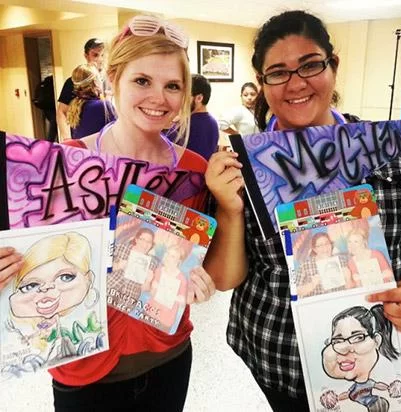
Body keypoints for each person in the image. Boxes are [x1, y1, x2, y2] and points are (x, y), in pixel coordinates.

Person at [0, 15, 216, 412]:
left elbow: (199, 261)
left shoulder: (195, 171)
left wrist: (200, 280)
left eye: (173, 86)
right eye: (142, 80)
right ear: (113, 78)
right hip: (81, 367)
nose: (159, 97)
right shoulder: (60, 165)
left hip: (166, 356)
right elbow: (28, 259)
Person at [204, 10, 401, 412]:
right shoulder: (244, 168)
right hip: (280, 361)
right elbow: (226, 279)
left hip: (384, 359)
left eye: (310, 65)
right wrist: (229, 209)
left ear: (332, 66)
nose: (296, 83)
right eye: (277, 72)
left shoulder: (389, 150)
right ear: (262, 83)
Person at [8, 232, 103, 369]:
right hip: (67, 373)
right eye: (30, 286)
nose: (46, 291)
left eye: (65, 277)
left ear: (89, 279)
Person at [320, 305, 401, 411]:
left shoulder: (375, 379)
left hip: (373, 402)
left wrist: (391, 388)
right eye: (338, 341)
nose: (346, 348)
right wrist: (335, 398)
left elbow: (378, 385)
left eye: (358, 338)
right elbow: (348, 394)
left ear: (376, 341)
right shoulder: (354, 387)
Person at [57, 38, 105, 141]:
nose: (100, 60)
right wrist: (67, 139)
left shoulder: (109, 79)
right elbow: (62, 111)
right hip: (83, 142)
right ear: (86, 56)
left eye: (102, 55)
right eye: (95, 55)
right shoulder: (74, 81)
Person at [167, 74, 219, 161]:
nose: (180, 100)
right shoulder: (212, 121)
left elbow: (164, 146)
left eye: (184, 96)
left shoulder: (190, 124)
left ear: (199, 98)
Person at [67, 64, 116, 139]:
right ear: (95, 82)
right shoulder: (102, 106)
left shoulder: (74, 106)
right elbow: (118, 133)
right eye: (99, 78)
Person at [296, 232, 351, 298]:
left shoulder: (341, 261)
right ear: (314, 249)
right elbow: (296, 292)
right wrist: (312, 284)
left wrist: (348, 278)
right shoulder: (305, 266)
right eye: (320, 245)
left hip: (340, 300)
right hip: (316, 304)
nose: (325, 247)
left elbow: (350, 288)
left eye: (327, 243)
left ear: (331, 245)